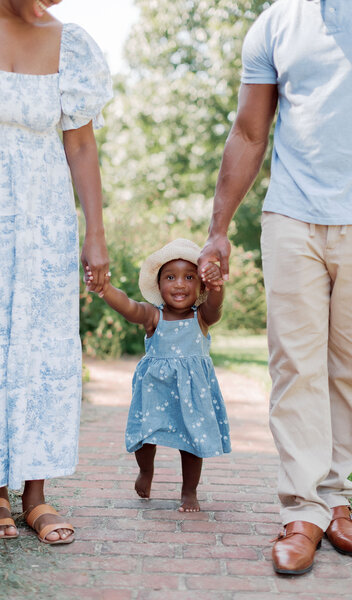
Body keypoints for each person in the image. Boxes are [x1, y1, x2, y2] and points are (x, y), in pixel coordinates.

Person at [199, 0, 352, 575]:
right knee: (295, 364)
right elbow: (248, 129)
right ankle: (303, 509)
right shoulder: (275, 21)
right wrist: (218, 230)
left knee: (347, 365)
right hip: (292, 215)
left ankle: (336, 497)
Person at [0, 0, 112, 543]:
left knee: (40, 351)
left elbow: (82, 144)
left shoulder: (71, 44)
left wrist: (95, 235)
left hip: (44, 229)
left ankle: (35, 493)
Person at [86, 238, 231, 512]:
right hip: (156, 389)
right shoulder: (154, 316)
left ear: (200, 285)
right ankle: (145, 471)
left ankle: (189, 492)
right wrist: (106, 289)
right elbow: (129, 306)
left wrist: (216, 285)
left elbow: (216, 307)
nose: (179, 284)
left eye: (189, 277)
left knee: (191, 443)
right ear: (159, 284)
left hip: (191, 395)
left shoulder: (202, 317)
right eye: (170, 277)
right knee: (145, 435)